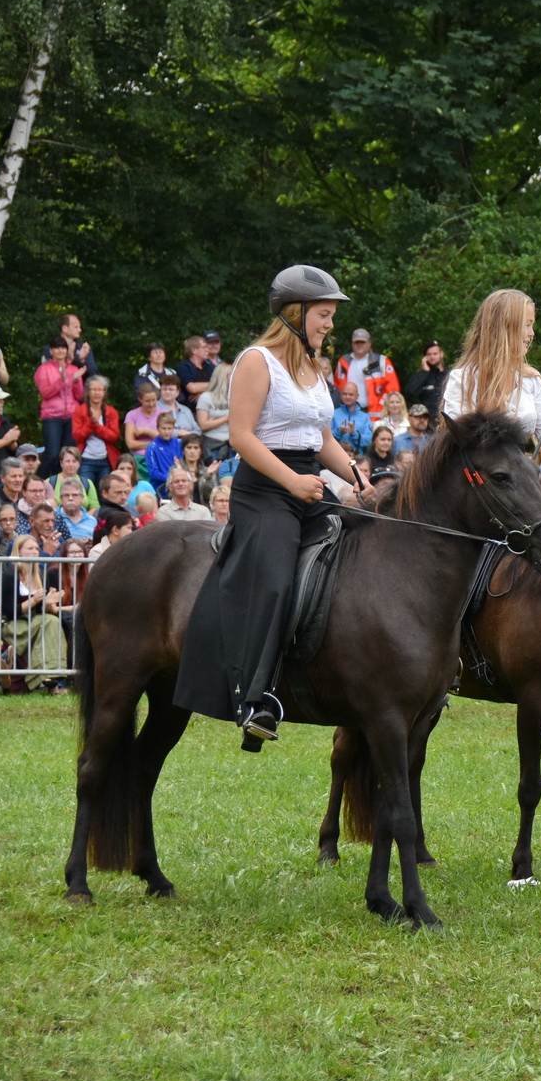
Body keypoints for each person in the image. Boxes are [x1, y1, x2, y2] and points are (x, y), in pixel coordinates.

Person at [175, 263, 360, 745]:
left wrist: (361, 478)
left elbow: (323, 440)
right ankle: (255, 699)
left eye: (332, 315)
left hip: (308, 481)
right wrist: (293, 482)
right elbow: (239, 436)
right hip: (263, 487)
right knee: (275, 581)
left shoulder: (314, 368)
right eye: (324, 314)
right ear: (295, 313)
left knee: (363, 549)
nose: (330, 324)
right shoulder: (256, 361)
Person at [439, 288, 541, 469]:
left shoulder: (531, 379)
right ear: (507, 327)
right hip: (479, 479)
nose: (532, 333)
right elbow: (457, 440)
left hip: (518, 476)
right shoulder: (464, 378)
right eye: (527, 325)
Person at [0, 532, 70, 694]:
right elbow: (8, 611)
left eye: (37, 548)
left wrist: (48, 603)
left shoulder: (41, 575)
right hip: (13, 624)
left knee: (51, 620)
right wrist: (34, 601)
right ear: (19, 551)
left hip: (35, 622)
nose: (35, 552)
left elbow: (41, 612)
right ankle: (49, 678)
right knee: (49, 622)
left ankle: (49, 677)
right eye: (30, 548)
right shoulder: (9, 576)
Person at [33, 335, 85, 477]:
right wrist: (64, 380)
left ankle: (60, 486)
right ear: (51, 351)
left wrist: (75, 381)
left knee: (67, 456)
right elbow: (45, 392)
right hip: (52, 416)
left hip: (71, 417)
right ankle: (37, 482)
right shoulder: (43, 369)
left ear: (67, 351)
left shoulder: (74, 369)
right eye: (57, 348)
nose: (60, 351)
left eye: (63, 348)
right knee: (52, 454)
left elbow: (79, 395)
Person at [335, 328, 401, 423]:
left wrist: (382, 405)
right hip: (348, 412)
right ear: (352, 344)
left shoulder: (381, 361)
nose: (359, 345)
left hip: (375, 415)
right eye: (356, 342)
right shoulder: (343, 361)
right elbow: (337, 387)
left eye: (362, 342)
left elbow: (392, 389)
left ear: (369, 344)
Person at [195, 362, 234, 461]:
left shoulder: (235, 397)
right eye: (231, 375)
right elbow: (203, 425)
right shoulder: (206, 397)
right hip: (213, 446)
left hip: (233, 445)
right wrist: (227, 418)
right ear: (222, 377)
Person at [403, 340, 448, 421]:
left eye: (435, 354)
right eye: (429, 354)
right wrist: (424, 372)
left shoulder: (450, 375)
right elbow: (410, 392)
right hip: (427, 422)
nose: (432, 357)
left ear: (441, 354)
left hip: (447, 419)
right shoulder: (421, 376)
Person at [46, 312, 97, 377]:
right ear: (65, 328)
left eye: (80, 327)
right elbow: (49, 373)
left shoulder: (83, 348)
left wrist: (81, 361)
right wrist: (72, 359)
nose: (80, 330)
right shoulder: (51, 348)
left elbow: (93, 374)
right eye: (76, 327)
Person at [124, 384, 163, 462]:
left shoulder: (163, 413)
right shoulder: (132, 415)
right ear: (140, 399)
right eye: (147, 401)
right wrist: (155, 442)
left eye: (153, 400)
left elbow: (166, 440)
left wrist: (147, 431)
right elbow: (130, 444)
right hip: (138, 459)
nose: (151, 404)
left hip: (159, 458)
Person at [331, 382, 374, 452]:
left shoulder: (364, 417)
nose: (347, 397)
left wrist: (354, 433)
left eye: (351, 395)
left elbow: (369, 440)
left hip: (357, 458)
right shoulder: (333, 414)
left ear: (357, 396)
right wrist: (339, 431)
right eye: (345, 394)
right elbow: (326, 438)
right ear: (341, 395)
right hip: (336, 456)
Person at [175, 335, 217, 407]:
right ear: (194, 350)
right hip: (191, 411)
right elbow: (192, 388)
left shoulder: (210, 367)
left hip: (211, 408)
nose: (207, 349)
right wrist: (215, 385)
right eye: (204, 347)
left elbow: (224, 384)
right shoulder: (183, 367)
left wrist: (203, 395)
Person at [144, 411, 184, 486]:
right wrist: (171, 479)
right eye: (164, 428)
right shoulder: (152, 447)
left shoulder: (180, 443)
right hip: (161, 488)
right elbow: (153, 473)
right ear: (158, 428)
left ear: (173, 428)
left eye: (169, 428)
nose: (167, 431)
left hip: (180, 484)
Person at [0, 382, 17, 461]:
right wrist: (5, 441)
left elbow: (14, 448)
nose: (2, 401)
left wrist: (13, 440)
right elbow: (5, 440)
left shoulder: (3, 420)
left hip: (4, 468)